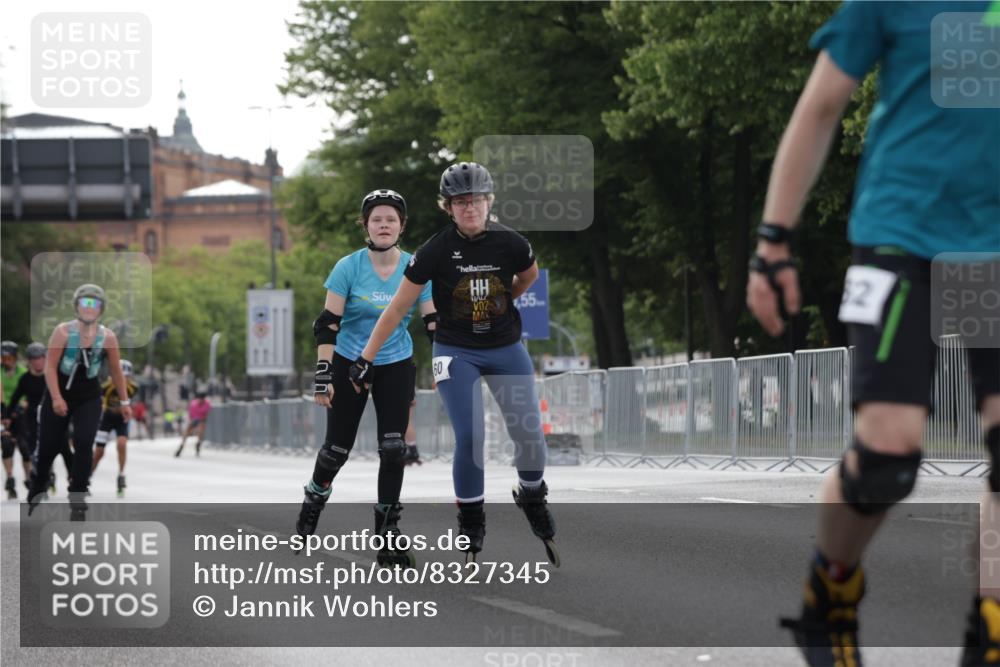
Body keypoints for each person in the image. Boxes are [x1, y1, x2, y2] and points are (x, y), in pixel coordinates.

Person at [745, 3, 1000, 664]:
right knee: (887, 457)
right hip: (902, 237)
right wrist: (773, 242)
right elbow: (822, 105)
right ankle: (831, 589)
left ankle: (991, 624)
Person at [350, 162, 559, 566]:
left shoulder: (511, 242)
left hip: (504, 347)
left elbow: (528, 276)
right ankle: (471, 519)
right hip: (456, 351)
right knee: (471, 437)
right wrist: (365, 357)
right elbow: (396, 310)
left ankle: (532, 494)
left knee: (529, 433)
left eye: (477, 200)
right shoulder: (435, 251)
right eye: (461, 202)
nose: (470, 208)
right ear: (447, 207)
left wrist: (503, 302)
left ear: (490, 201)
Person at [296, 188, 435, 568]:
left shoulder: (416, 268)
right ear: (366, 226)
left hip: (395, 360)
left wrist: (442, 362)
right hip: (347, 360)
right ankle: (312, 503)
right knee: (335, 450)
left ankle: (387, 535)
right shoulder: (348, 267)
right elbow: (327, 325)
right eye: (377, 219)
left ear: (402, 226)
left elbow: (432, 322)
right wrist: (324, 375)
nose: (384, 225)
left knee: (394, 449)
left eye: (391, 219)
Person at [28, 284, 132, 518]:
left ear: (101, 309)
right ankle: (39, 481)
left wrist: (125, 403)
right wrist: (55, 398)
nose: (88, 308)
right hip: (59, 392)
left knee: (84, 443)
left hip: (89, 396)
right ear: (76, 306)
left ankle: (78, 495)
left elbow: (116, 372)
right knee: (48, 448)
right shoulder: (63, 332)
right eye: (84, 303)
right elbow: (50, 367)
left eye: (93, 304)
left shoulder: (108, 337)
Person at [92, 358, 138, 496]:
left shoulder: (134, 387)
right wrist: (115, 408)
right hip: (106, 418)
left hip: (121, 419)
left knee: (122, 444)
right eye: (120, 376)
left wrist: (124, 408)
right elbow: (102, 405)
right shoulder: (106, 386)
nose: (123, 380)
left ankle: (121, 474)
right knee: (99, 452)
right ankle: (88, 476)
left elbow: (130, 404)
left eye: (126, 377)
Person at [1, 341, 31, 498]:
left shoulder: (23, 372)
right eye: (3, 357)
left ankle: (27, 477)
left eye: (8, 357)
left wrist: (21, 406)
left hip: (20, 413)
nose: (6, 360)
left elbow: (28, 394)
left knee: (25, 447)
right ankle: (10, 478)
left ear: (14, 357)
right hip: (3, 413)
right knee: (7, 446)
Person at [175, 390, 211, 457]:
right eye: (200, 399)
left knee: (200, 432)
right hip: (194, 419)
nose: (200, 400)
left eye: (202, 399)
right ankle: (181, 446)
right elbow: (190, 414)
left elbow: (206, 414)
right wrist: (191, 421)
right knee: (186, 433)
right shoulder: (193, 404)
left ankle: (198, 443)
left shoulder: (207, 404)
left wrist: (202, 420)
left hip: (201, 420)